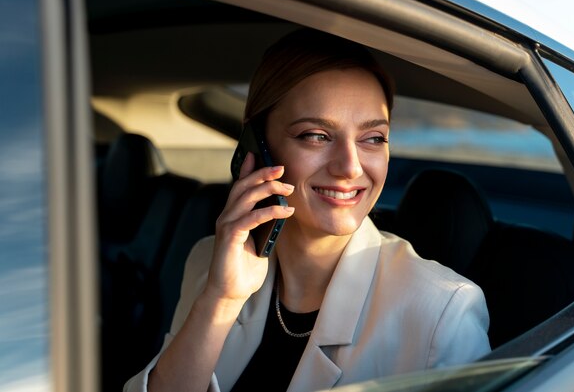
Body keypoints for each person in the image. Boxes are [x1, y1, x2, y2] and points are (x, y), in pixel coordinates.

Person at [124, 27, 491, 392]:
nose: (350, 167)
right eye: (316, 135)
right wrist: (221, 299)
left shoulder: (443, 314)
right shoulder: (209, 262)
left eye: (373, 138)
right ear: (257, 145)